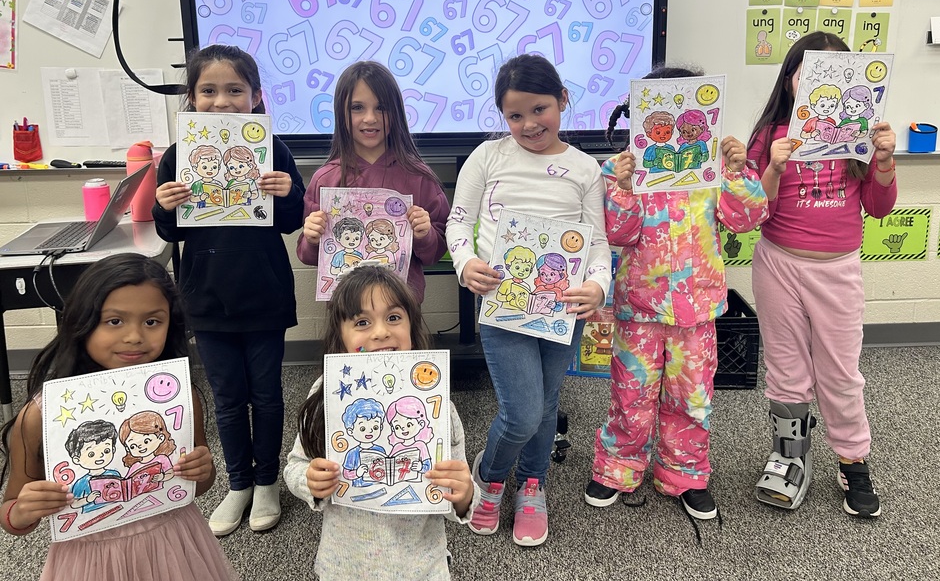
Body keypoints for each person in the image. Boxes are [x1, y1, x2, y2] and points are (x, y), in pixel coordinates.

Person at [584, 65, 768, 535]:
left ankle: (684, 472)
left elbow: (748, 219)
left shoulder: (713, 169)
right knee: (631, 393)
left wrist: (737, 172)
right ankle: (618, 467)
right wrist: (624, 188)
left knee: (692, 395)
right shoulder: (623, 169)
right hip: (639, 307)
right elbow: (618, 234)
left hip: (697, 308)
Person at [447, 54, 612, 547]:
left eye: (539, 110)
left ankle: (533, 483)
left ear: (562, 100)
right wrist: (465, 262)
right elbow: (459, 221)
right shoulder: (488, 156)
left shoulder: (585, 168)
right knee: (521, 411)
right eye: (515, 116)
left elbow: (597, 241)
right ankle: (491, 476)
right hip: (503, 305)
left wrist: (598, 286)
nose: (529, 124)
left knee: (545, 404)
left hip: (563, 310)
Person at [0, 253, 238, 580]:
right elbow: (12, 514)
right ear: (82, 321)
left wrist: (202, 471)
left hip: (174, 545)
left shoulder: (180, 398)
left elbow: (196, 486)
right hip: (91, 561)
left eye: (152, 322)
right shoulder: (40, 415)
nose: (134, 336)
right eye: (114, 321)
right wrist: (24, 510)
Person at [153, 44, 306, 536]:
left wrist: (288, 194)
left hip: (264, 295)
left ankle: (267, 481)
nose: (222, 102)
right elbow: (172, 232)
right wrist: (163, 206)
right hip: (206, 298)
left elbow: (292, 221)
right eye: (209, 91)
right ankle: (238, 482)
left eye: (235, 90)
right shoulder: (177, 157)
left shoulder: (274, 150)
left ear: (256, 96)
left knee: (267, 395)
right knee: (227, 398)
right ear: (192, 98)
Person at [746, 31, 897, 518]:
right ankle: (790, 457)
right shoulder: (770, 135)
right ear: (790, 80)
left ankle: (853, 459)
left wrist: (885, 160)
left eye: (832, 73)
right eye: (808, 72)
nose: (817, 83)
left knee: (840, 372)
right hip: (778, 265)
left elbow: (879, 206)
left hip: (837, 269)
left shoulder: (859, 133)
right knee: (785, 369)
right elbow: (756, 213)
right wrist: (772, 168)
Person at [284, 265, 478, 581]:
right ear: (340, 335)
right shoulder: (326, 393)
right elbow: (294, 466)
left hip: (420, 567)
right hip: (345, 567)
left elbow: (459, 491)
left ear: (412, 325)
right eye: (362, 322)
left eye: (393, 317)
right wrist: (310, 481)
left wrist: (465, 495)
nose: (380, 332)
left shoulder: (436, 404)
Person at [297, 60, 449, 303]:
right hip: (347, 309)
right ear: (341, 112)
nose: (370, 118)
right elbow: (308, 255)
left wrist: (425, 234)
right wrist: (312, 238)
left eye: (381, 108)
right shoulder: (325, 179)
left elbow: (436, 252)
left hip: (401, 307)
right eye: (357, 107)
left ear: (396, 112)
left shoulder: (419, 177)